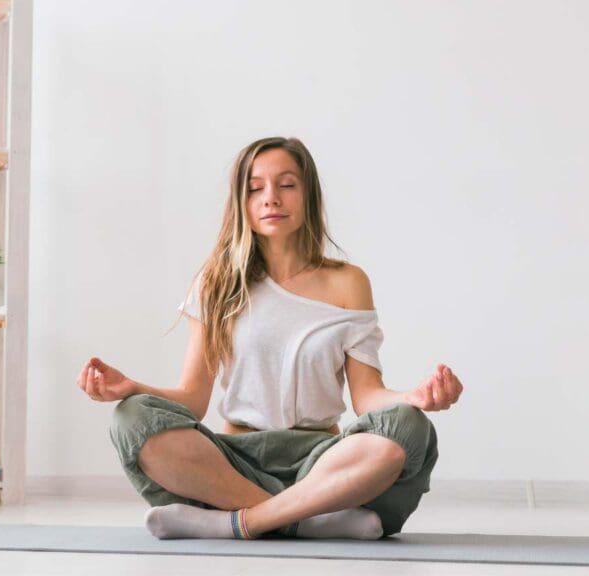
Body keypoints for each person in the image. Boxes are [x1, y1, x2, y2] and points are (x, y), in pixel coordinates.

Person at [76, 136, 463, 541]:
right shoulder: (217, 282)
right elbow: (193, 399)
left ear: (308, 195)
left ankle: (240, 522)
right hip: (234, 461)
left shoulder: (348, 282)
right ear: (240, 202)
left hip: (324, 462)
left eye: (287, 185)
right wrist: (130, 388)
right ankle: (308, 518)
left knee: (409, 426)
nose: (271, 198)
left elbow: (367, 398)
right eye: (255, 188)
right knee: (132, 417)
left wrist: (414, 398)